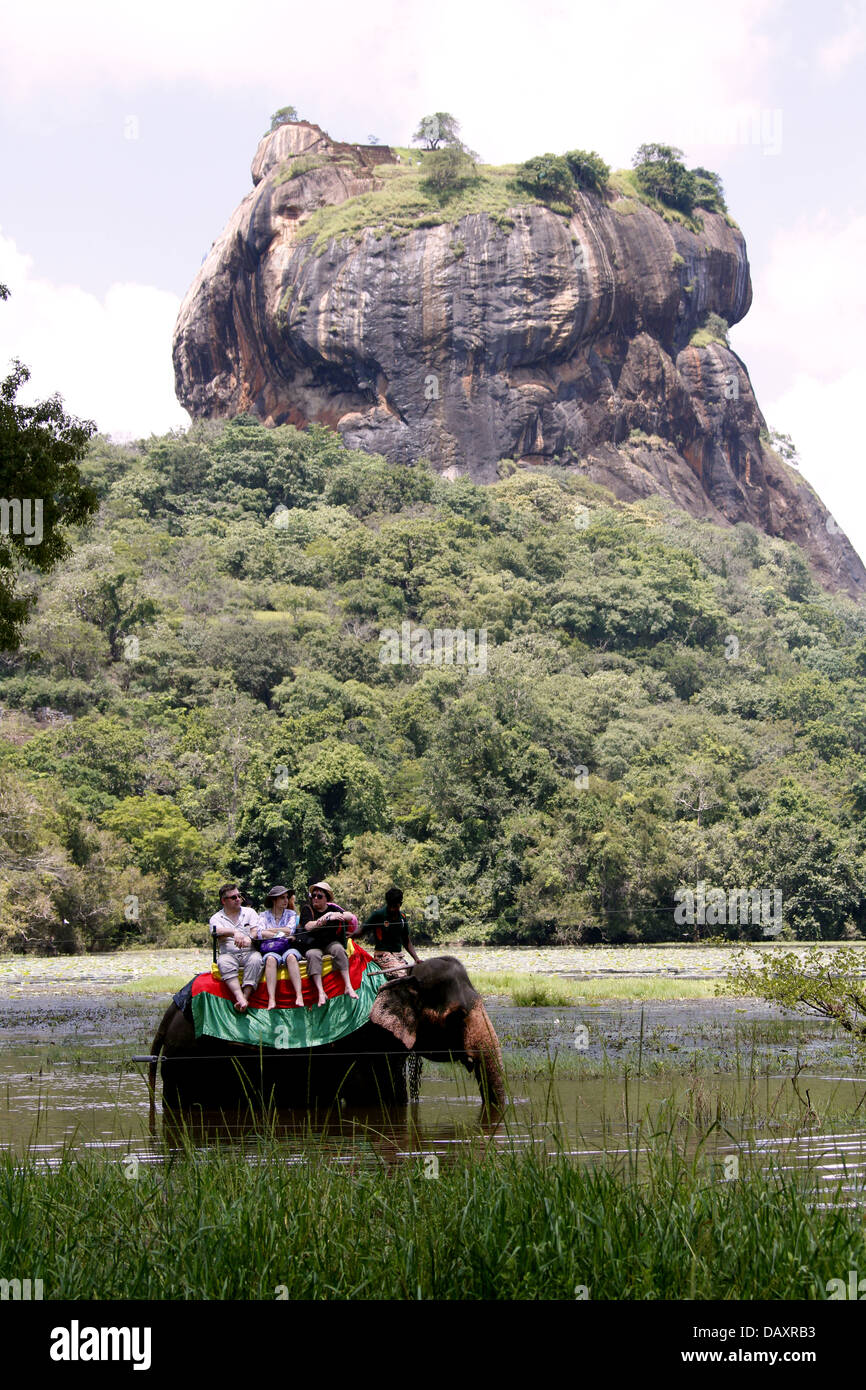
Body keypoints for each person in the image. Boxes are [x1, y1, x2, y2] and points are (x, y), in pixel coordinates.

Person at [297, 881, 359, 1007]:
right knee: (313, 955)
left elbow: (350, 916)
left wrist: (338, 915)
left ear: (326, 899)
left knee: (339, 949)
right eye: (313, 895)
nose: (315, 898)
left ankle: (348, 986)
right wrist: (325, 919)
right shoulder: (307, 909)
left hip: (330, 943)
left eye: (319, 896)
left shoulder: (333, 909)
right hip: (312, 945)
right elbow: (308, 926)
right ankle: (321, 992)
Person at [209, 884, 264, 1013]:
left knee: (256, 959)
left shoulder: (249, 912)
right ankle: (239, 996)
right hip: (229, 954)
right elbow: (217, 931)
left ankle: (244, 997)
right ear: (224, 901)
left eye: (239, 896)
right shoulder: (216, 918)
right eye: (233, 897)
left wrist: (249, 939)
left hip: (249, 951)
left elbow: (255, 930)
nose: (238, 899)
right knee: (223, 962)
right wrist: (234, 932)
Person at [254, 886, 304, 1010]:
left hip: (287, 948)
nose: (286, 900)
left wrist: (270, 931)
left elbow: (290, 930)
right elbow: (260, 933)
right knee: (270, 959)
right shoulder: (263, 915)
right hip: (270, 949)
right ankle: (271, 999)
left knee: (291, 957)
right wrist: (280, 934)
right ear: (274, 900)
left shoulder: (291, 914)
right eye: (282, 898)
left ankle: (299, 995)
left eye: (287, 897)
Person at [360, 887, 420, 969]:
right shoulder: (378, 915)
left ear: (400, 904)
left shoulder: (402, 917)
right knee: (402, 974)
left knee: (413, 973)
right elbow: (361, 931)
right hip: (382, 956)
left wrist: (416, 959)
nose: (392, 909)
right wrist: (350, 935)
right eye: (390, 906)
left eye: (395, 906)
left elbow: (406, 940)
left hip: (398, 956)